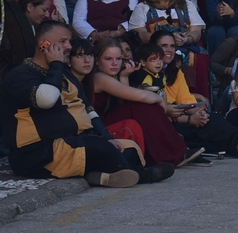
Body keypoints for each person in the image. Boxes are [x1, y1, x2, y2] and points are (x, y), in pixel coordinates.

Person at [0, 22, 167, 187]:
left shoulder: (66, 74)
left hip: (73, 142)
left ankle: (99, 176)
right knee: (99, 148)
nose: (68, 46)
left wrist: (107, 137)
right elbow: (46, 99)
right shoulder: (21, 75)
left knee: (127, 148)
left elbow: (88, 110)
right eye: (63, 41)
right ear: (44, 45)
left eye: (69, 41)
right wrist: (56, 64)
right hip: (37, 153)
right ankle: (142, 175)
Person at [86, 38, 198, 168]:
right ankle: (174, 153)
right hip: (98, 127)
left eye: (118, 59)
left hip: (110, 119)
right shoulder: (99, 77)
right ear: (97, 60)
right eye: (108, 59)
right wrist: (159, 101)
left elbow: (124, 101)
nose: (114, 63)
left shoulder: (113, 76)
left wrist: (124, 76)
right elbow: (142, 96)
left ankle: (176, 151)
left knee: (141, 106)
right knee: (142, 105)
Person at [129, 0, 208, 98]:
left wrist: (187, 39)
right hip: (155, 49)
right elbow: (141, 35)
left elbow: (196, 31)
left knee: (200, 56)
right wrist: (166, 40)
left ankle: (194, 98)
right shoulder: (143, 7)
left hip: (184, 47)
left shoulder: (187, 5)